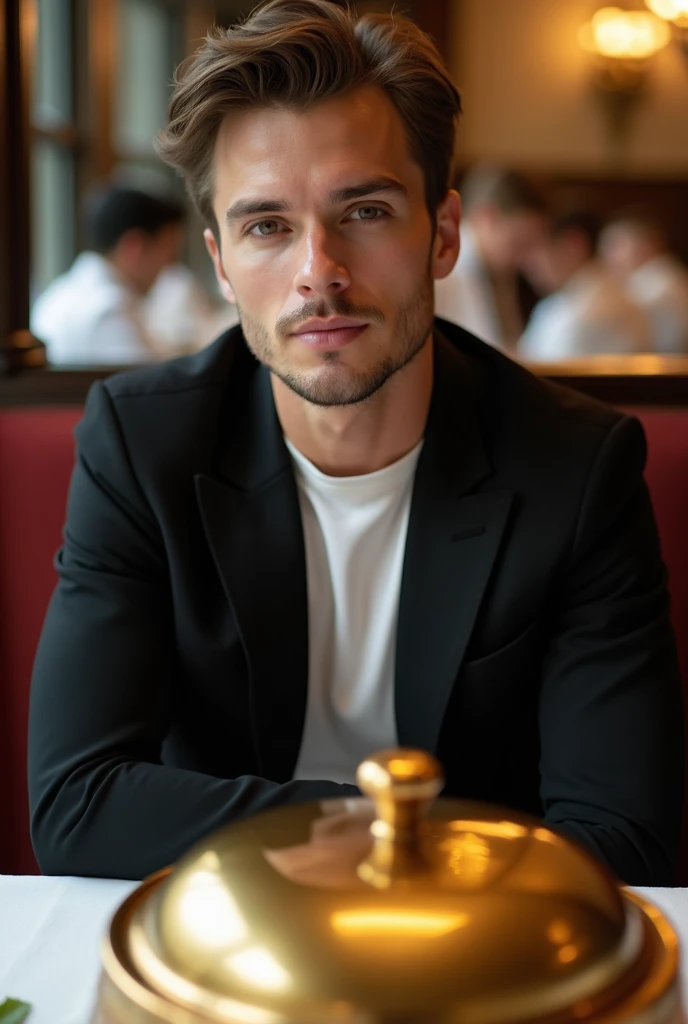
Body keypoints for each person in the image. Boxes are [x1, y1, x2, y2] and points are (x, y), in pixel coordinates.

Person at [29, 0, 682, 885]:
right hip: (231, 944)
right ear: (221, 265)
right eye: (267, 226)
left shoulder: (573, 467)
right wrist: (385, 832)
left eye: (365, 211)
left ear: (442, 234)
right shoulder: (142, 447)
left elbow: (623, 837)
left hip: (470, 959)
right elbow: (78, 801)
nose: (318, 272)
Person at [31, 185, 184, 365]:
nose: (169, 266)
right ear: (134, 246)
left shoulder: (62, 290)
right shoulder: (108, 309)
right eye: (168, 253)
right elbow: (153, 387)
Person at [434, 165, 548, 352]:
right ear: (487, 217)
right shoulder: (444, 275)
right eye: (519, 242)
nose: (523, 259)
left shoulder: (499, 274)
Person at [519, 210, 651, 362]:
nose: (526, 262)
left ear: (573, 244)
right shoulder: (576, 297)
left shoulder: (581, 313)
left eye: (534, 248)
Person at [600, 212, 688, 355]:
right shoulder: (671, 272)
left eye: (615, 245)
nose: (608, 256)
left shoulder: (652, 287)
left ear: (647, 246)